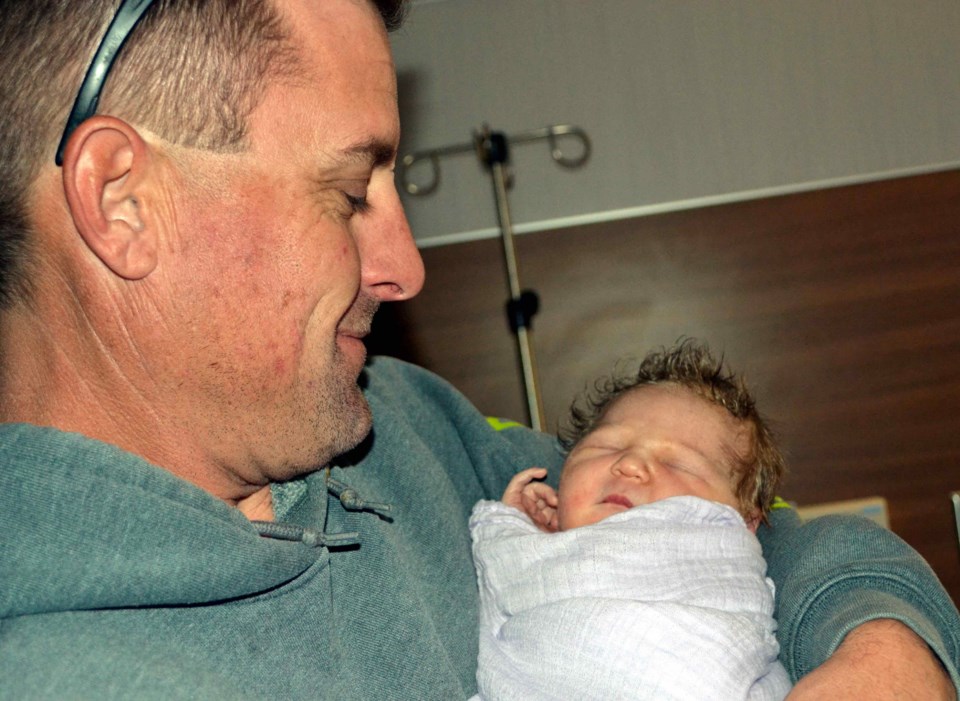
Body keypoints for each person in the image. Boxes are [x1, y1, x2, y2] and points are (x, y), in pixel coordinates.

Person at [0, 1, 957, 699]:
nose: (407, 268)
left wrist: (885, 641)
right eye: (349, 193)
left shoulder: (408, 427)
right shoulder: (69, 669)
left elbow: (738, 522)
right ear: (124, 200)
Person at [470, 341, 793, 700]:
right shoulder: (544, 555)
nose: (630, 464)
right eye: (605, 447)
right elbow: (509, 581)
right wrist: (519, 533)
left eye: (677, 464)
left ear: (743, 523)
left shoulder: (719, 568)